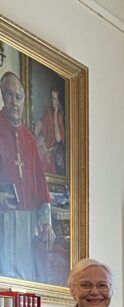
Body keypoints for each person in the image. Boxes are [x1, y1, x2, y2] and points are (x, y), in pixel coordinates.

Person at [0, 71, 56, 285]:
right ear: (3, 97)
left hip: (26, 223)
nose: (14, 103)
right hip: (2, 221)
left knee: (24, 281)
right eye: (9, 95)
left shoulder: (30, 140)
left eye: (18, 97)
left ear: (24, 100)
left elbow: (41, 185)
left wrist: (46, 224)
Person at [33, 86, 65, 176]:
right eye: (52, 98)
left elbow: (58, 139)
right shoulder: (49, 111)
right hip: (46, 145)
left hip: (54, 149)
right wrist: (37, 126)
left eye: (54, 99)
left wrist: (55, 116)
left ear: (59, 102)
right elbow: (43, 122)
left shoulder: (59, 117)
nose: (52, 101)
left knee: (42, 155)